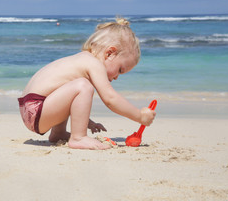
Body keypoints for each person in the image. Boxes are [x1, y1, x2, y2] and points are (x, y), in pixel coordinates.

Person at [18, 17, 156, 150]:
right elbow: (110, 99)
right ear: (110, 53)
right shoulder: (94, 64)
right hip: (37, 109)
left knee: (74, 86)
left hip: (30, 108)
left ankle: (58, 133)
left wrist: (87, 122)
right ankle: (78, 138)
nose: (116, 77)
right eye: (120, 70)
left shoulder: (81, 59)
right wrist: (140, 116)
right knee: (83, 86)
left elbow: (66, 99)